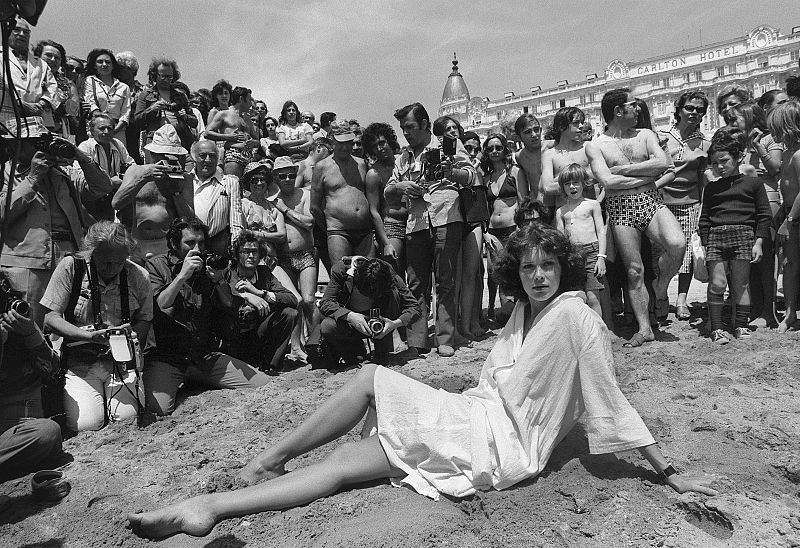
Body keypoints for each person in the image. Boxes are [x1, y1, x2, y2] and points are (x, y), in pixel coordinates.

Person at [127, 223, 718, 540]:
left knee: (368, 378)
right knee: (346, 462)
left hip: (496, 443)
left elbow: (608, 398)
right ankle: (207, 507)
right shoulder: (524, 311)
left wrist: (665, 472)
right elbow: (507, 384)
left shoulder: (574, 315)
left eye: (549, 265)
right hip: (477, 417)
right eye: (530, 266)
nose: (538, 276)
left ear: (563, 267)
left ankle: (262, 464)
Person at [143, 217, 271, 416]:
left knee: (262, 384)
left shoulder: (210, 264)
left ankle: (196, 379)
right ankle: (184, 380)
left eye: (201, 242)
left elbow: (230, 305)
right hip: (168, 357)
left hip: (202, 355)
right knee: (159, 409)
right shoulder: (157, 265)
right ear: (174, 244)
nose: (197, 248)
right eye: (190, 243)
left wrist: (219, 281)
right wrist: (182, 276)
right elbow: (161, 304)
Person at [585, 89, 683, 347]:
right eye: (633, 105)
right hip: (620, 207)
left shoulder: (646, 135)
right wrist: (646, 174)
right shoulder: (595, 145)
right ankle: (645, 328)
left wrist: (625, 169)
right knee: (634, 270)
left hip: (650, 200)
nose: (638, 109)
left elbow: (662, 163)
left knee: (677, 244)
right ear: (618, 111)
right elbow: (607, 181)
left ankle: (660, 287)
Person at [0, 116, 112, 326]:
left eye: (43, 141)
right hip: (26, 267)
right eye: (34, 142)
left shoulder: (63, 173)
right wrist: (32, 179)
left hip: (67, 261)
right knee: (27, 328)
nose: (41, 147)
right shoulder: (4, 173)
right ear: (15, 144)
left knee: (65, 326)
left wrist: (79, 155)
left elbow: (103, 187)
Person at [41, 221, 152, 431]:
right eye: (105, 262)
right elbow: (50, 319)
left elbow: (145, 319)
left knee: (127, 420)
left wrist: (134, 338)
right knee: (87, 425)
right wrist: (88, 336)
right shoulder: (71, 267)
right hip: (80, 363)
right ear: (91, 252)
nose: (112, 269)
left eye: (119, 263)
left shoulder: (138, 275)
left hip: (121, 363)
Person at [385, 103, 476, 357]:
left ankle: (445, 338)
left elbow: (470, 176)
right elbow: (388, 192)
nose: (407, 133)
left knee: (446, 280)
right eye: (403, 129)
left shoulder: (448, 145)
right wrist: (403, 185)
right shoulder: (403, 158)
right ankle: (418, 339)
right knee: (416, 283)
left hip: (447, 216)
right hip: (416, 222)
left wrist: (452, 171)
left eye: (411, 127)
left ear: (425, 124)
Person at [699, 129, 771, 344]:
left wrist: (758, 242)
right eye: (714, 163)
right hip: (716, 238)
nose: (719, 166)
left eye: (724, 160)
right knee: (717, 284)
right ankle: (717, 328)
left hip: (744, 237)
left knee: (741, 284)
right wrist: (705, 244)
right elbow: (704, 219)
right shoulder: (711, 188)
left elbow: (764, 215)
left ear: (738, 157)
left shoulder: (753, 184)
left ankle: (740, 325)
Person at [0, 275, 64, 482]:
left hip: (18, 424)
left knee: (48, 433)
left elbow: (54, 368)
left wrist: (30, 334)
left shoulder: (17, 318)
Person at [725, 102, 783, 327]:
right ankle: (755, 308)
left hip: (767, 201)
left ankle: (769, 311)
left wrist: (758, 146)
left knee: (766, 261)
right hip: (743, 203)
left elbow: (775, 168)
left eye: (736, 118)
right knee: (750, 259)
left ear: (750, 117)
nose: (732, 122)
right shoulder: (737, 142)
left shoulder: (770, 139)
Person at [654, 90, 710, 321]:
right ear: (678, 110)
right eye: (690, 108)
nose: (694, 113)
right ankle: (660, 296)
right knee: (660, 251)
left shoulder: (705, 143)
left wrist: (702, 208)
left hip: (689, 202)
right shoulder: (661, 135)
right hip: (659, 201)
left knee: (686, 253)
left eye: (700, 110)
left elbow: (703, 178)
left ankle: (682, 300)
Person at [312, 256, 420, 367]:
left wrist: (394, 324)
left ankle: (382, 349)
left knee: (394, 293)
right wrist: (350, 316)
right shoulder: (342, 270)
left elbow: (414, 307)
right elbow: (325, 303)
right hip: (350, 322)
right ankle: (354, 351)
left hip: (382, 322)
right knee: (328, 326)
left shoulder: (388, 273)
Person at [214, 233, 298, 373]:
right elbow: (222, 297)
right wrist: (245, 296)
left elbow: (291, 299)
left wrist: (260, 293)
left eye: (255, 251)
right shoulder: (227, 272)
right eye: (245, 252)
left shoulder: (264, 273)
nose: (251, 256)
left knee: (290, 313)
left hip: (257, 332)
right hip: (233, 335)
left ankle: (272, 365)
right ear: (237, 254)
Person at [433, 116, 485, 340]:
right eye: (447, 129)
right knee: (451, 278)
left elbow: (473, 181)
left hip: (470, 216)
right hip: (449, 216)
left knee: (471, 275)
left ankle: (468, 324)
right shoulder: (434, 154)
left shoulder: (464, 155)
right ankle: (451, 329)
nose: (452, 131)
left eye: (455, 127)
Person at [112, 124, 194, 259]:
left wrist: (176, 193)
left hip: (167, 244)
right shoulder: (135, 171)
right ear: (152, 154)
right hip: (137, 243)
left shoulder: (185, 178)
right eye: (163, 155)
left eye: (173, 156)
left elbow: (190, 220)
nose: (168, 160)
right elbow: (116, 203)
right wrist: (143, 178)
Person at [273, 157, 318, 362]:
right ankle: (296, 346)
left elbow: (309, 223)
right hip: (283, 256)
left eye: (292, 174)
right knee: (294, 302)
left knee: (309, 300)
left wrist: (284, 209)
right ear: (276, 178)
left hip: (305, 254)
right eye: (283, 176)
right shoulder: (273, 198)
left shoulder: (305, 195)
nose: (288, 179)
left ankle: (317, 341)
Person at [311, 123, 374, 266]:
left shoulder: (362, 164)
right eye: (340, 143)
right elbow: (314, 207)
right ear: (332, 140)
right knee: (341, 276)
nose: (345, 147)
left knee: (369, 277)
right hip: (338, 232)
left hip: (365, 231)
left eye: (348, 143)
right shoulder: (321, 167)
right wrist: (331, 228)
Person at [554, 164, 610, 325]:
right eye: (567, 184)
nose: (572, 187)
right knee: (577, 296)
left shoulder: (592, 204)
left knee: (593, 296)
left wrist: (601, 257)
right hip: (572, 256)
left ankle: (598, 330)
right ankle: (583, 330)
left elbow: (601, 231)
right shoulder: (561, 211)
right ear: (562, 187)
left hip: (592, 253)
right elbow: (560, 238)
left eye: (576, 182)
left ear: (584, 183)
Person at [482, 133, 523, 324]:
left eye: (498, 147)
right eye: (490, 148)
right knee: (496, 272)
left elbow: (522, 202)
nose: (494, 151)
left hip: (512, 228)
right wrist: (485, 233)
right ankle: (505, 312)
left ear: (505, 149)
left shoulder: (515, 172)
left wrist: (520, 229)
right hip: (493, 231)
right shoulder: (487, 178)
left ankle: (514, 312)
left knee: (513, 270)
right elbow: (483, 209)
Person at [768, 101, 800, 333]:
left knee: (792, 264)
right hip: (791, 215)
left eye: (776, 129)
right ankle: (790, 312)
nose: (773, 134)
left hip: (795, 218)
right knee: (789, 266)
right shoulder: (788, 153)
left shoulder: (798, 155)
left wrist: (789, 221)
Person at [78, 112, 136, 221]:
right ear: (91, 130)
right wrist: (111, 183)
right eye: (102, 128)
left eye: (109, 128)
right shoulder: (85, 147)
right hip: (94, 202)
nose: (106, 132)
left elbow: (132, 167)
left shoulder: (118, 144)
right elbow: (82, 182)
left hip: (115, 200)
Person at [133, 57, 197, 156]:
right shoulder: (145, 95)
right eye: (162, 76)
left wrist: (185, 117)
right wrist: (151, 109)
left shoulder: (180, 96)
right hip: (155, 142)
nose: (166, 80)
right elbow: (137, 120)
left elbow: (194, 122)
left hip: (179, 141)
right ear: (154, 75)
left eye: (169, 77)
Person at [363, 122, 404, 273]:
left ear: (389, 141)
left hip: (414, 225)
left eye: (382, 142)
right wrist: (386, 242)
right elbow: (373, 210)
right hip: (392, 227)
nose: (380, 148)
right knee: (395, 278)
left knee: (418, 282)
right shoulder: (374, 174)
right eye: (374, 146)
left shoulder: (404, 162)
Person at [5, 20, 58, 124]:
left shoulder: (40, 63)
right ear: (7, 31)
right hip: (6, 116)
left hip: (37, 118)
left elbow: (52, 87)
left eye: (26, 32)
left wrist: (41, 104)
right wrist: (19, 104)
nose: (22, 34)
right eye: (16, 30)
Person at [540, 107, 591, 211]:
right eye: (576, 123)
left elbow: (600, 176)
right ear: (562, 126)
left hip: (589, 212)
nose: (581, 126)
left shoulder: (588, 147)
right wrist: (584, 177)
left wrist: (561, 179)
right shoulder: (549, 154)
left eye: (582, 122)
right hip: (564, 215)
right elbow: (548, 188)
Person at [204, 86, 258, 177]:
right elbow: (207, 133)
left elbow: (257, 140)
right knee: (232, 184)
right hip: (233, 154)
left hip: (249, 157)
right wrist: (229, 137)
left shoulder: (247, 119)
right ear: (241, 99)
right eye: (248, 100)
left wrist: (254, 142)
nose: (250, 104)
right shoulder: (224, 114)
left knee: (246, 189)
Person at [83, 48, 131, 148]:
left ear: (113, 65)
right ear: (95, 66)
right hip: (98, 129)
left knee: (119, 159)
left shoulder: (124, 87)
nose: (104, 65)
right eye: (100, 62)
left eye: (108, 62)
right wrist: (105, 128)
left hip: (118, 131)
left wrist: (113, 131)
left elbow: (126, 113)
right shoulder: (89, 81)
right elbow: (91, 102)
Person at [240, 161, 285, 248]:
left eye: (262, 179)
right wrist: (271, 236)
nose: (259, 183)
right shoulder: (243, 204)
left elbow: (282, 236)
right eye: (254, 180)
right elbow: (242, 233)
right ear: (248, 183)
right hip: (251, 257)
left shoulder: (273, 207)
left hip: (272, 258)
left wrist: (255, 234)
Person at [115, 51, 144, 163]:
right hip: (117, 129)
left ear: (132, 70)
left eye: (122, 68)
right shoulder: (113, 88)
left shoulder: (142, 91)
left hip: (135, 133)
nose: (118, 71)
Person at [513, 114, 543, 204]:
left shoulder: (552, 147)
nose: (534, 135)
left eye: (536, 129)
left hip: (559, 204)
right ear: (519, 137)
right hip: (538, 205)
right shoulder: (519, 156)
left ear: (541, 130)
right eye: (528, 132)